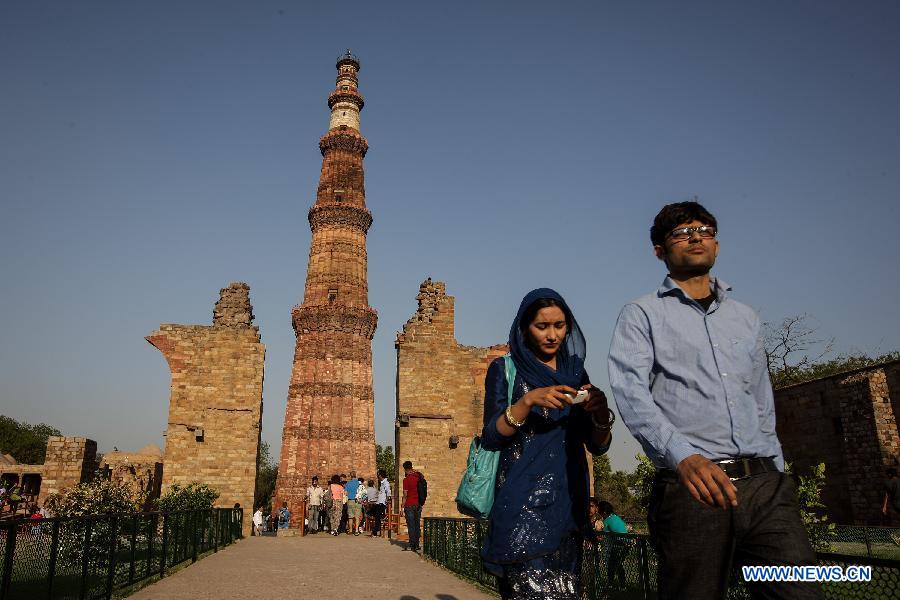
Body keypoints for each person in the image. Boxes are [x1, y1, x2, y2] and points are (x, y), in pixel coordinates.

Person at [608, 201, 823, 599]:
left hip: (764, 487)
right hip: (694, 486)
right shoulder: (642, 314)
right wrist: (683, 457)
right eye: (681, 232)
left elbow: (760, 399)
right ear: (659, 251)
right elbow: (631, 393)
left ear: (717, 245)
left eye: (704, 229)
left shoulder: (743, 317)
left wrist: (777, 473)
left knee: (799, 592)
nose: (695, 237)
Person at [480, 289, 613, 599]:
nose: (553, 335)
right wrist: (527, 402)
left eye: (560, 325)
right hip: (522, 509)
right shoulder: (506, 370)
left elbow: (597, 446)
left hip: (568, 509)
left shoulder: (575, 374)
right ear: (526, 327)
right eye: (542, 326)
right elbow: (492, 435)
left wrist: (601, 413)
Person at [596, 501, 629, 590]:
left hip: (618, 545)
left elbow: (603, 535)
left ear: (604, 512)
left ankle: (610, 584)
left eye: (600, 512)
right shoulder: (616, 518)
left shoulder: (607, 520)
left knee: (612, 565)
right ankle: (622, 585)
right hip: (626, 544)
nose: (600, 514)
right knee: (618, 565)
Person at [401, 461, 423, 552]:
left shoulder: (406, 480)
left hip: (409, 504)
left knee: (411, 526)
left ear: (405, 469)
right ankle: (417, 544)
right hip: (418, 504)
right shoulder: (418, 477)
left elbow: (405, 494)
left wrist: (402, 507)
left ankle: (412, 545)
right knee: (417, 524)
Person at [371, 469, 391, 537]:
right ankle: (377, 528)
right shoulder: (382, 483)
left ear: (380, 475)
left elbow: (388, 492)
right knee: (371, 512)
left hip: (381, 503)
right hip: (378, 502)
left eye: (378, 475)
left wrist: (388, 500)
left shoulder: (386, 483)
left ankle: (375, 531)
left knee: (377, 516)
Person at [344, 470, 362, 535]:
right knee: (357, 517)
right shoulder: (359, 483)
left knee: (350, 517)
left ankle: (351, 530)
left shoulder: (348, 483)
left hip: (350, 500)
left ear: (350, 476)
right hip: (358, 501)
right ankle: (356, 530)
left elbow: (345, 493)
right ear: (355, 475)